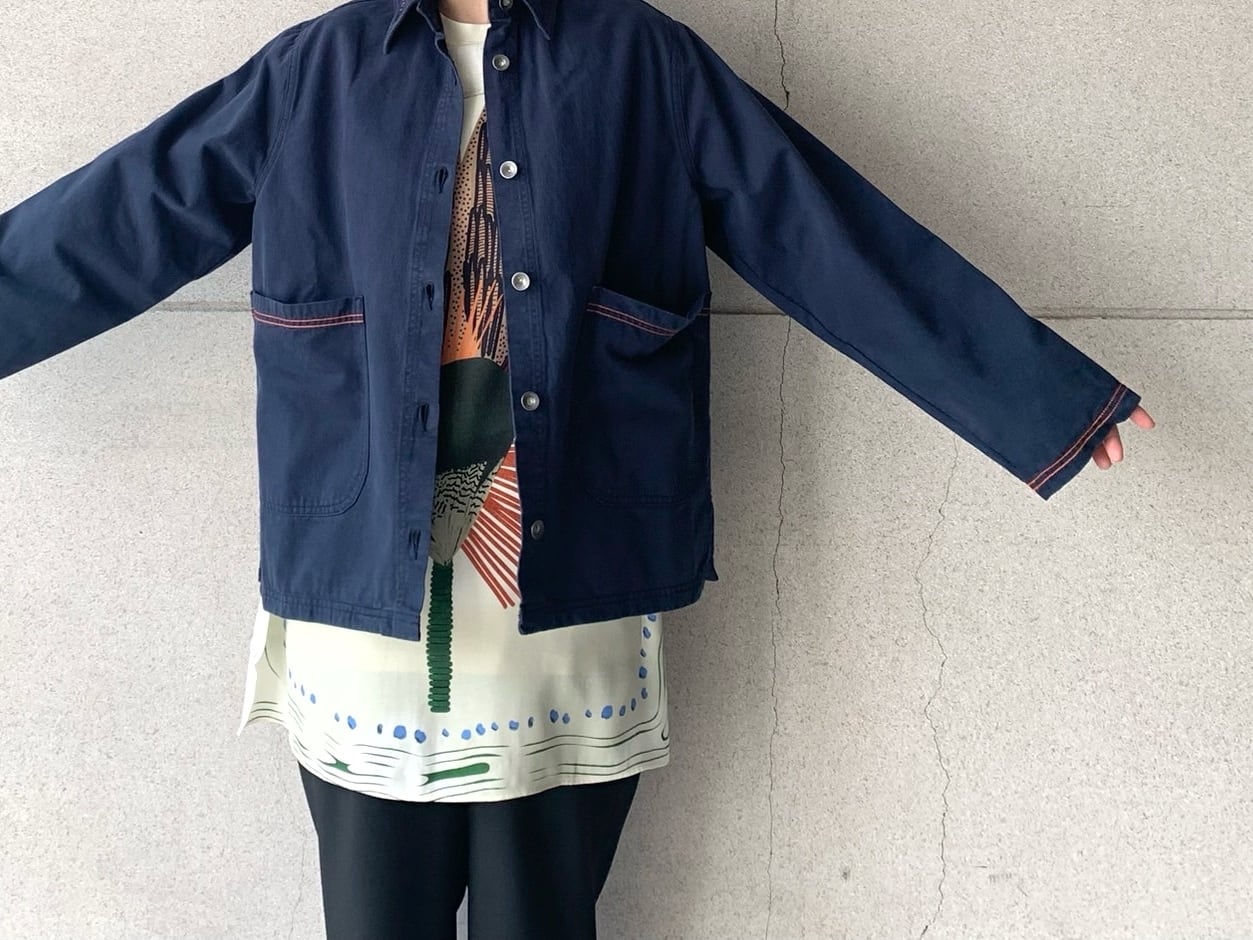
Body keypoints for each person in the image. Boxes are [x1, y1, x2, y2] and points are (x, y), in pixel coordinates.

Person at [0, 0, 1154, 937]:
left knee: (542, 918)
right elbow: (123, 215)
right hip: (362, 600)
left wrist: (1040, 403)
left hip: (569, 588)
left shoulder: (644, 60)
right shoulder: (314, 69)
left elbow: (815, 229)